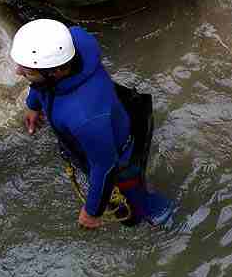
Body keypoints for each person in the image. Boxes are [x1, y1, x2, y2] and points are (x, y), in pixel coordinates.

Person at [12, 19, 174, 229]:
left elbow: (105, 167)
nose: (18, 72)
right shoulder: (71, 43)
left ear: (57, 71)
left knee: (136, 210)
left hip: (118, 156)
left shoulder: (85, 117)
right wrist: (33, 105)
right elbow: (40, 83)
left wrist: (92, 211)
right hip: (112, 123)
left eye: (27, 71)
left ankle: (167, 219)